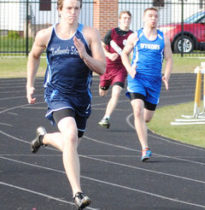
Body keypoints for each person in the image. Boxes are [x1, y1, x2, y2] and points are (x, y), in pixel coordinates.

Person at [26, 0, 105, 209]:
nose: (73, 12)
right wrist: (29, 84)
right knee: (69, 136)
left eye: (77, 8)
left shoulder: (89, 34)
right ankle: (78, 193)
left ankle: (43, 138)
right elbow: (33, 56)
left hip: (81, 99)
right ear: (59, 10)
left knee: (71, 144)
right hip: (57, 94)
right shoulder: (46, 35)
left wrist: (85, 55)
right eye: (69, 8)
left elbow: (102, 68)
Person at [121, 7, 173, 162]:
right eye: (150, 16)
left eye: (156, 16)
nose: (153, 18)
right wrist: (130, 69)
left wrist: (166, 76)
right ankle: (145, 148)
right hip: (137, 78)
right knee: (137, 111)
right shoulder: (136, 36)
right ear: (144, 18)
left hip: (154, 82)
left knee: (147, 118)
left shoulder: (163, 38)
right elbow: (124, 54)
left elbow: (169, 59)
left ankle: (141, 129)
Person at [98, 11, 133, 129]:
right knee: (102, 92)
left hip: (121, 69)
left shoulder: (132, 35)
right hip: (107, 68)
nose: (126, 20)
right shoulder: (112, 33)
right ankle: (103, 86)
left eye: (128, 18)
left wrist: (133, 64)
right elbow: (101, 47)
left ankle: (106, 118)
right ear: (119, 19)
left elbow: (133, 52)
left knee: (116, 93)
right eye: (124, 18)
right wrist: (108, 55)